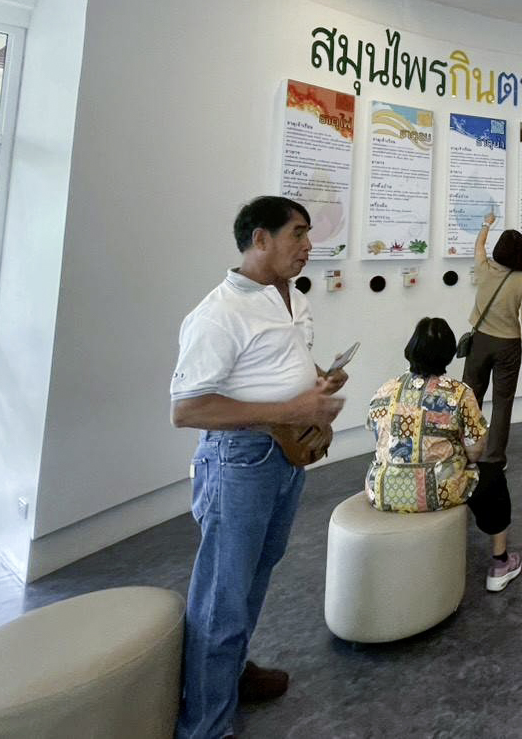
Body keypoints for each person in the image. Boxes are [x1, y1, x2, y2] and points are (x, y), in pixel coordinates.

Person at [169, 197, 350, 739]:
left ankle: (230, 674)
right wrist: (291, 410)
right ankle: (205, 725)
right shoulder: (218, 313)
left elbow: (276, 364)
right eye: (298, 233)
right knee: (222, 595)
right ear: (260, 239)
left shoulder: (291, 298)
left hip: (284, 457)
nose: (308, 246)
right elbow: (188, 409)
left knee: (255, 573)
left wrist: (318, 381)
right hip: (238, 462)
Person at [366, 316, 521, 590]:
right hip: (439, 490)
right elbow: (476, 451)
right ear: (449, 354)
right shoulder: (459, 393)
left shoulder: (386, 389)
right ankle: (501, 563)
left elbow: (378, 437)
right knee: (493, 475)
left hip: (384, 490)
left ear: (411, 348)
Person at [461, 213, 522, 467]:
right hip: (509, 346)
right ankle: (495, 458)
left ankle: (466, 453)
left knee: (471, 399)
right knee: (503, 403)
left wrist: (486, 224)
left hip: (480, 342)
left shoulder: (485, 268)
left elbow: (479, 246)